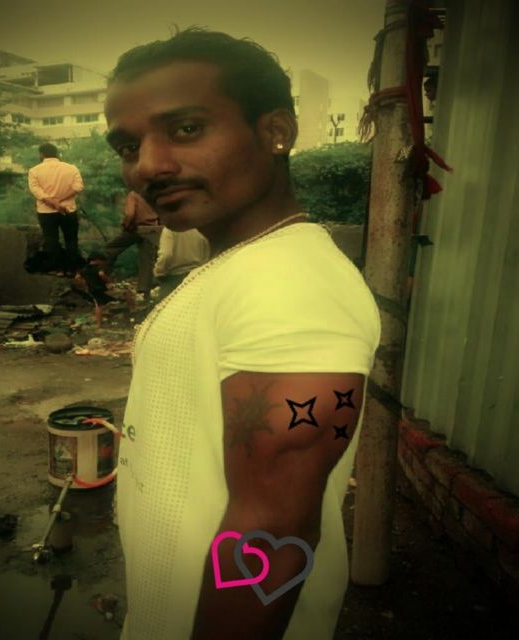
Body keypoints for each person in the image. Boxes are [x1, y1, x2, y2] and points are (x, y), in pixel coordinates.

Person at [104, 28, 381, 640]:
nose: (148, 166)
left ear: (275, 131)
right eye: (128, 145)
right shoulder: (244, 266)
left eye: (186, 129)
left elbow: (273, 531)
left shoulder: (289, 286)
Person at [28, 142, 85, 274]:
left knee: (51, 240)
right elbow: (78, 187)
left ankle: (56, 268)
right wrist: (60, 201)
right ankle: (71, 269)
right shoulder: (71, 168)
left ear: (41, 154)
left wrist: (54, 203)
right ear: (57, 154)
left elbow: (37, 191)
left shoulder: (34, 170)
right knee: (71, 240)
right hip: (68, 210)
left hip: (45, 211)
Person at [103, 190, 162, 300]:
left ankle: (102, 273)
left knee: (111, 248)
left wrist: (126, 225)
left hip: (137, 229)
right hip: (153, 228)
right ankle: (143, 292)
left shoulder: (134, 194)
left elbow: (130, 214)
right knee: (147, 261)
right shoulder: (154, 193)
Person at [153, 227, 211, 300]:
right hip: (196, 278)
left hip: (173, 279)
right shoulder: (198, 230)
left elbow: (166, 255)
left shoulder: (169, 230)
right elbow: (207, 255)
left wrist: (159, 272)